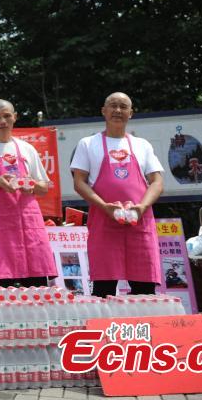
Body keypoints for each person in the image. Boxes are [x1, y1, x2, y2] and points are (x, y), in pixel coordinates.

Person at [71, 92, 164, 297]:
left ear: (131, 113)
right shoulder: (88, 143)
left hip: (139, 221)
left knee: (144, 290)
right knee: (104, 289)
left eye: (123, 107)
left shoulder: (142, 145)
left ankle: (146, 320)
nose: (118, 110)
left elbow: (157, 182)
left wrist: (141, 207)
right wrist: (105, 207)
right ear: (103, 111)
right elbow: (79, 182)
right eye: (113, 105)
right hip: (104, 221)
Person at [0, 99, 57, 287]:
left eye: (7, 116)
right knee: (2, 283)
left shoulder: (27, 148)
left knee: (36, 284)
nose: (3, 121)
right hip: (1, 226)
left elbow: (44, 187)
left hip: (29, 223)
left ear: (15, 117)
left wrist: (31, 184)